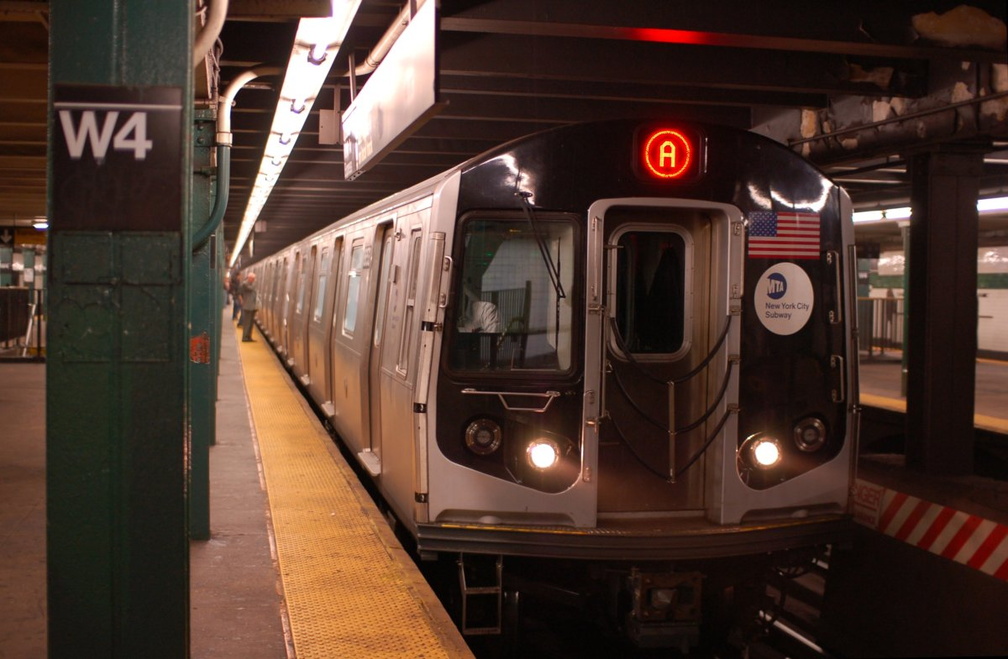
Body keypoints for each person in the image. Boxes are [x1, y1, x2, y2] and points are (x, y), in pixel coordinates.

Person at [239, 272, 259, 342]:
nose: (254, 280)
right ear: (249, 278)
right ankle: (245, 337)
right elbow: (251, 288)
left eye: (254, 279)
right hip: (247, 306)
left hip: (252, 307)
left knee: (250, 323)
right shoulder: (245, 284)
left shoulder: (251, 284)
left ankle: (249, 336)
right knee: (247, 323)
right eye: (253, 279)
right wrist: (255, 284)